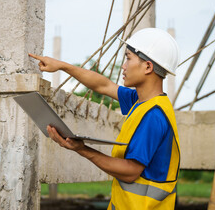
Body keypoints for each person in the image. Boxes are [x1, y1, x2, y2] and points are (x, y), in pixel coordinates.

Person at [29, 28, 181, 210]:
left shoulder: (153, 116)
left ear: (148, 67)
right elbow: (103, 85)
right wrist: (62, 66)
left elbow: (131, 172)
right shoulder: (141, 102)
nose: (123, 66)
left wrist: (82, 149)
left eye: (128, 58)